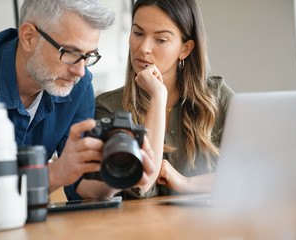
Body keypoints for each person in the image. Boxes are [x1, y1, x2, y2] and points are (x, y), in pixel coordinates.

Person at [0, 0, 155, 219]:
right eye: (70, 52)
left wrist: (119, 174)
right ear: (29, 37)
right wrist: (56, 173)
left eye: (89, 56)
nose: (80, 71)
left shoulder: (79, 85)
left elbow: (80, 185)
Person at [91, 0, 235, 199]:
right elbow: (141, 186)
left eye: (161, 40)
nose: (144, 48)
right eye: (138, 33)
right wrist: (158, 97)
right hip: (138, 228)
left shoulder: (218, 97)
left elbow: (256, 172)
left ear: (185, 49)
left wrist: (187, 183)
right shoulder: (108, 107)